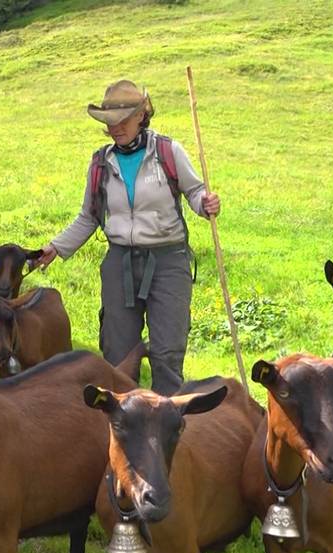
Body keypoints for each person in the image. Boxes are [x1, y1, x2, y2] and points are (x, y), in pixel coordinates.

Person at [36, 79, 220, 395]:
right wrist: (55, 247)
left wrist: (205, 203)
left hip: (168, 261)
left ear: (141, 116)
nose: (116, 128)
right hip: (120, 262)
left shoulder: (167, 151)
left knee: (167, 352)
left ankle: (167, 423)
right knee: (118, 354)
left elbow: (194, 190)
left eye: (123, 120)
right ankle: (121, 424)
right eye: (110, 123)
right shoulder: (101, 162)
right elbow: (89, 217)